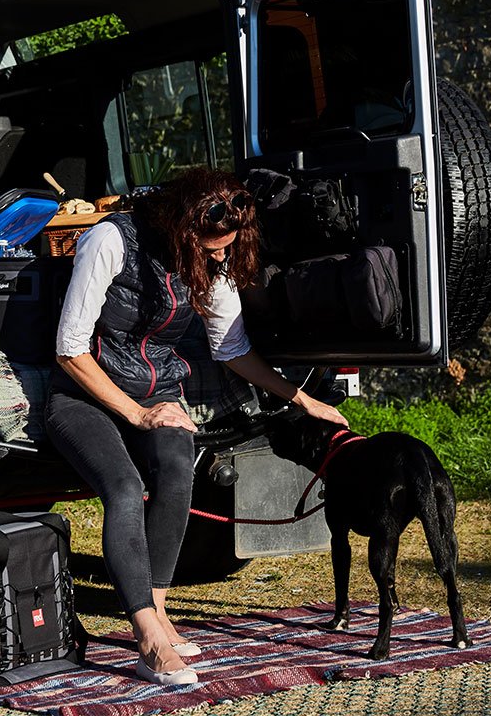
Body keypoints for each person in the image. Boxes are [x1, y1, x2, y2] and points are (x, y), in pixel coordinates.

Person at [45, 167, 347, 685]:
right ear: (183, 228)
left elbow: (231, 348)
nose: (219, 259)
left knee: (177, 467)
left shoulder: (212, 257)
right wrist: (137, 414)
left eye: (226, 249)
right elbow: (69, 348)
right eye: (211, 249)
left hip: (156, 392)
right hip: (82, 396)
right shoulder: (108, 240)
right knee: (123, 488)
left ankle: (157, 609)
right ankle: (147, 639)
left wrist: (300, 398)